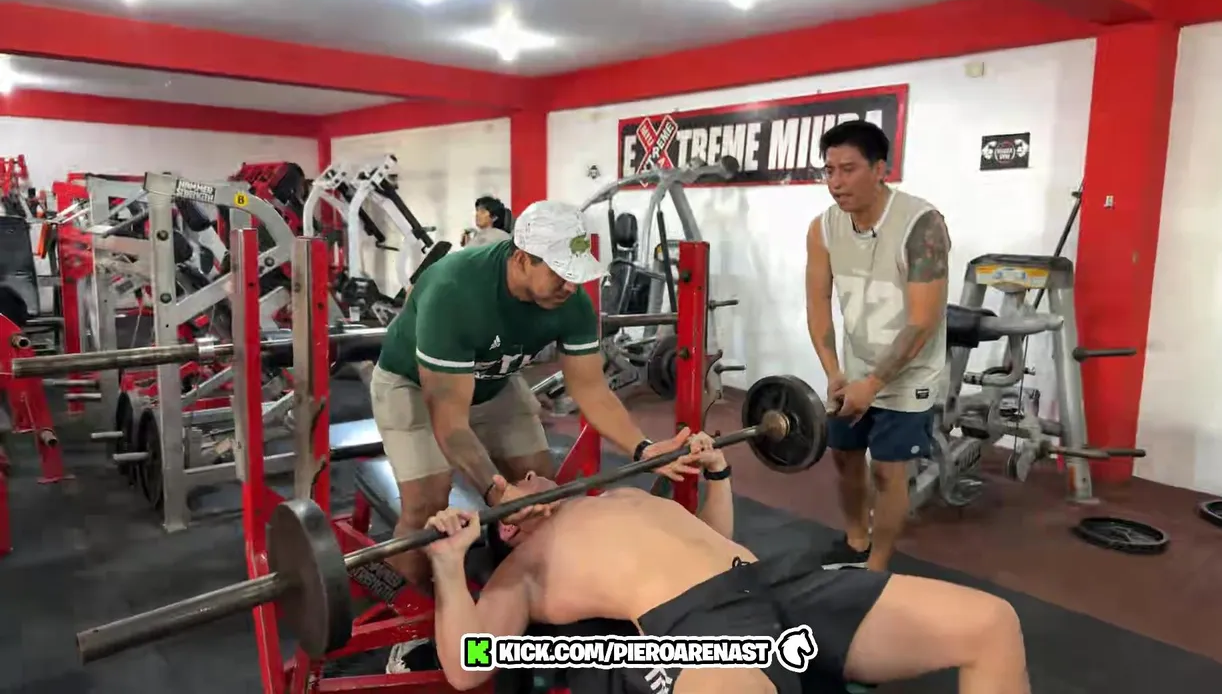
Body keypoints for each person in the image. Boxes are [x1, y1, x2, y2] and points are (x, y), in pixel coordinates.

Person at [423, 430, 1030, 694]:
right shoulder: (526, 566)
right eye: (523, 481)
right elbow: (468, 667)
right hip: (705, 634)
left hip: (778, 588)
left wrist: (718, 475)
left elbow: (711, 539)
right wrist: (450, 566)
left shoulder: (620, 497)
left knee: (990, 624)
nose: (535, 474)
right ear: (508, 525)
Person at [370, 199, 699, 666]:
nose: (571, 286)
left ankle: (511, 599)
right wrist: (495, 489)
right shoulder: (454, 289)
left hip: (495, 381)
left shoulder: (571, 301)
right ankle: (411, 622)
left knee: (539, 491)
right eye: (560, 273)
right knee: (427, 504)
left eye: (576, 274)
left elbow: (592, 390)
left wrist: (644, 449)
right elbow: (450, 422)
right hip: (413, 384)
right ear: (522, 257)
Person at [804, 120, 950, 572]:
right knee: (844, 457)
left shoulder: (921, 226)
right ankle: (856, 540)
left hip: (908, 373)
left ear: (880, 169)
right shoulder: (823, 228)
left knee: (888, 470)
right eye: (829, 170)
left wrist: (874, 383)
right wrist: (833, 372)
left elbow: (923, 322)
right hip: (854, 367)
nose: (836, 182)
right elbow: (817, 304)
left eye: (848, 169)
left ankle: (878, 565)